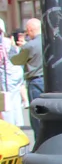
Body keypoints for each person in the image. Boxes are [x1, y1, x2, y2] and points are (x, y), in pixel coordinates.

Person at [11, 18, 43, 146]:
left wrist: (18, 47)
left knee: (37, 115)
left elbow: (16, 61)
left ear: (30, 30)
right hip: (48, 80)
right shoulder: (48, 41)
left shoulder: (30, 45)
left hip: (35, 81)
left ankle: (39, 142)